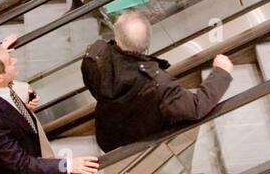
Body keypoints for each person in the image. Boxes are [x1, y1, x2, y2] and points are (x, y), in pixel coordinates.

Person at [84, 11, 234, 152]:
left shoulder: (94, 56)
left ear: (117, 39)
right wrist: (220, 72)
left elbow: (92, 87)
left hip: (107, 135)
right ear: (147, 44)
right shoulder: (159, 84)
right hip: (141, 144)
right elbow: (196, 107)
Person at [0, 45, 98, 174]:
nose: (15, 61)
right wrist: (68, 165)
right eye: (9, 62)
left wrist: (20, 108)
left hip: (4, 154)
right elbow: (21, 163)